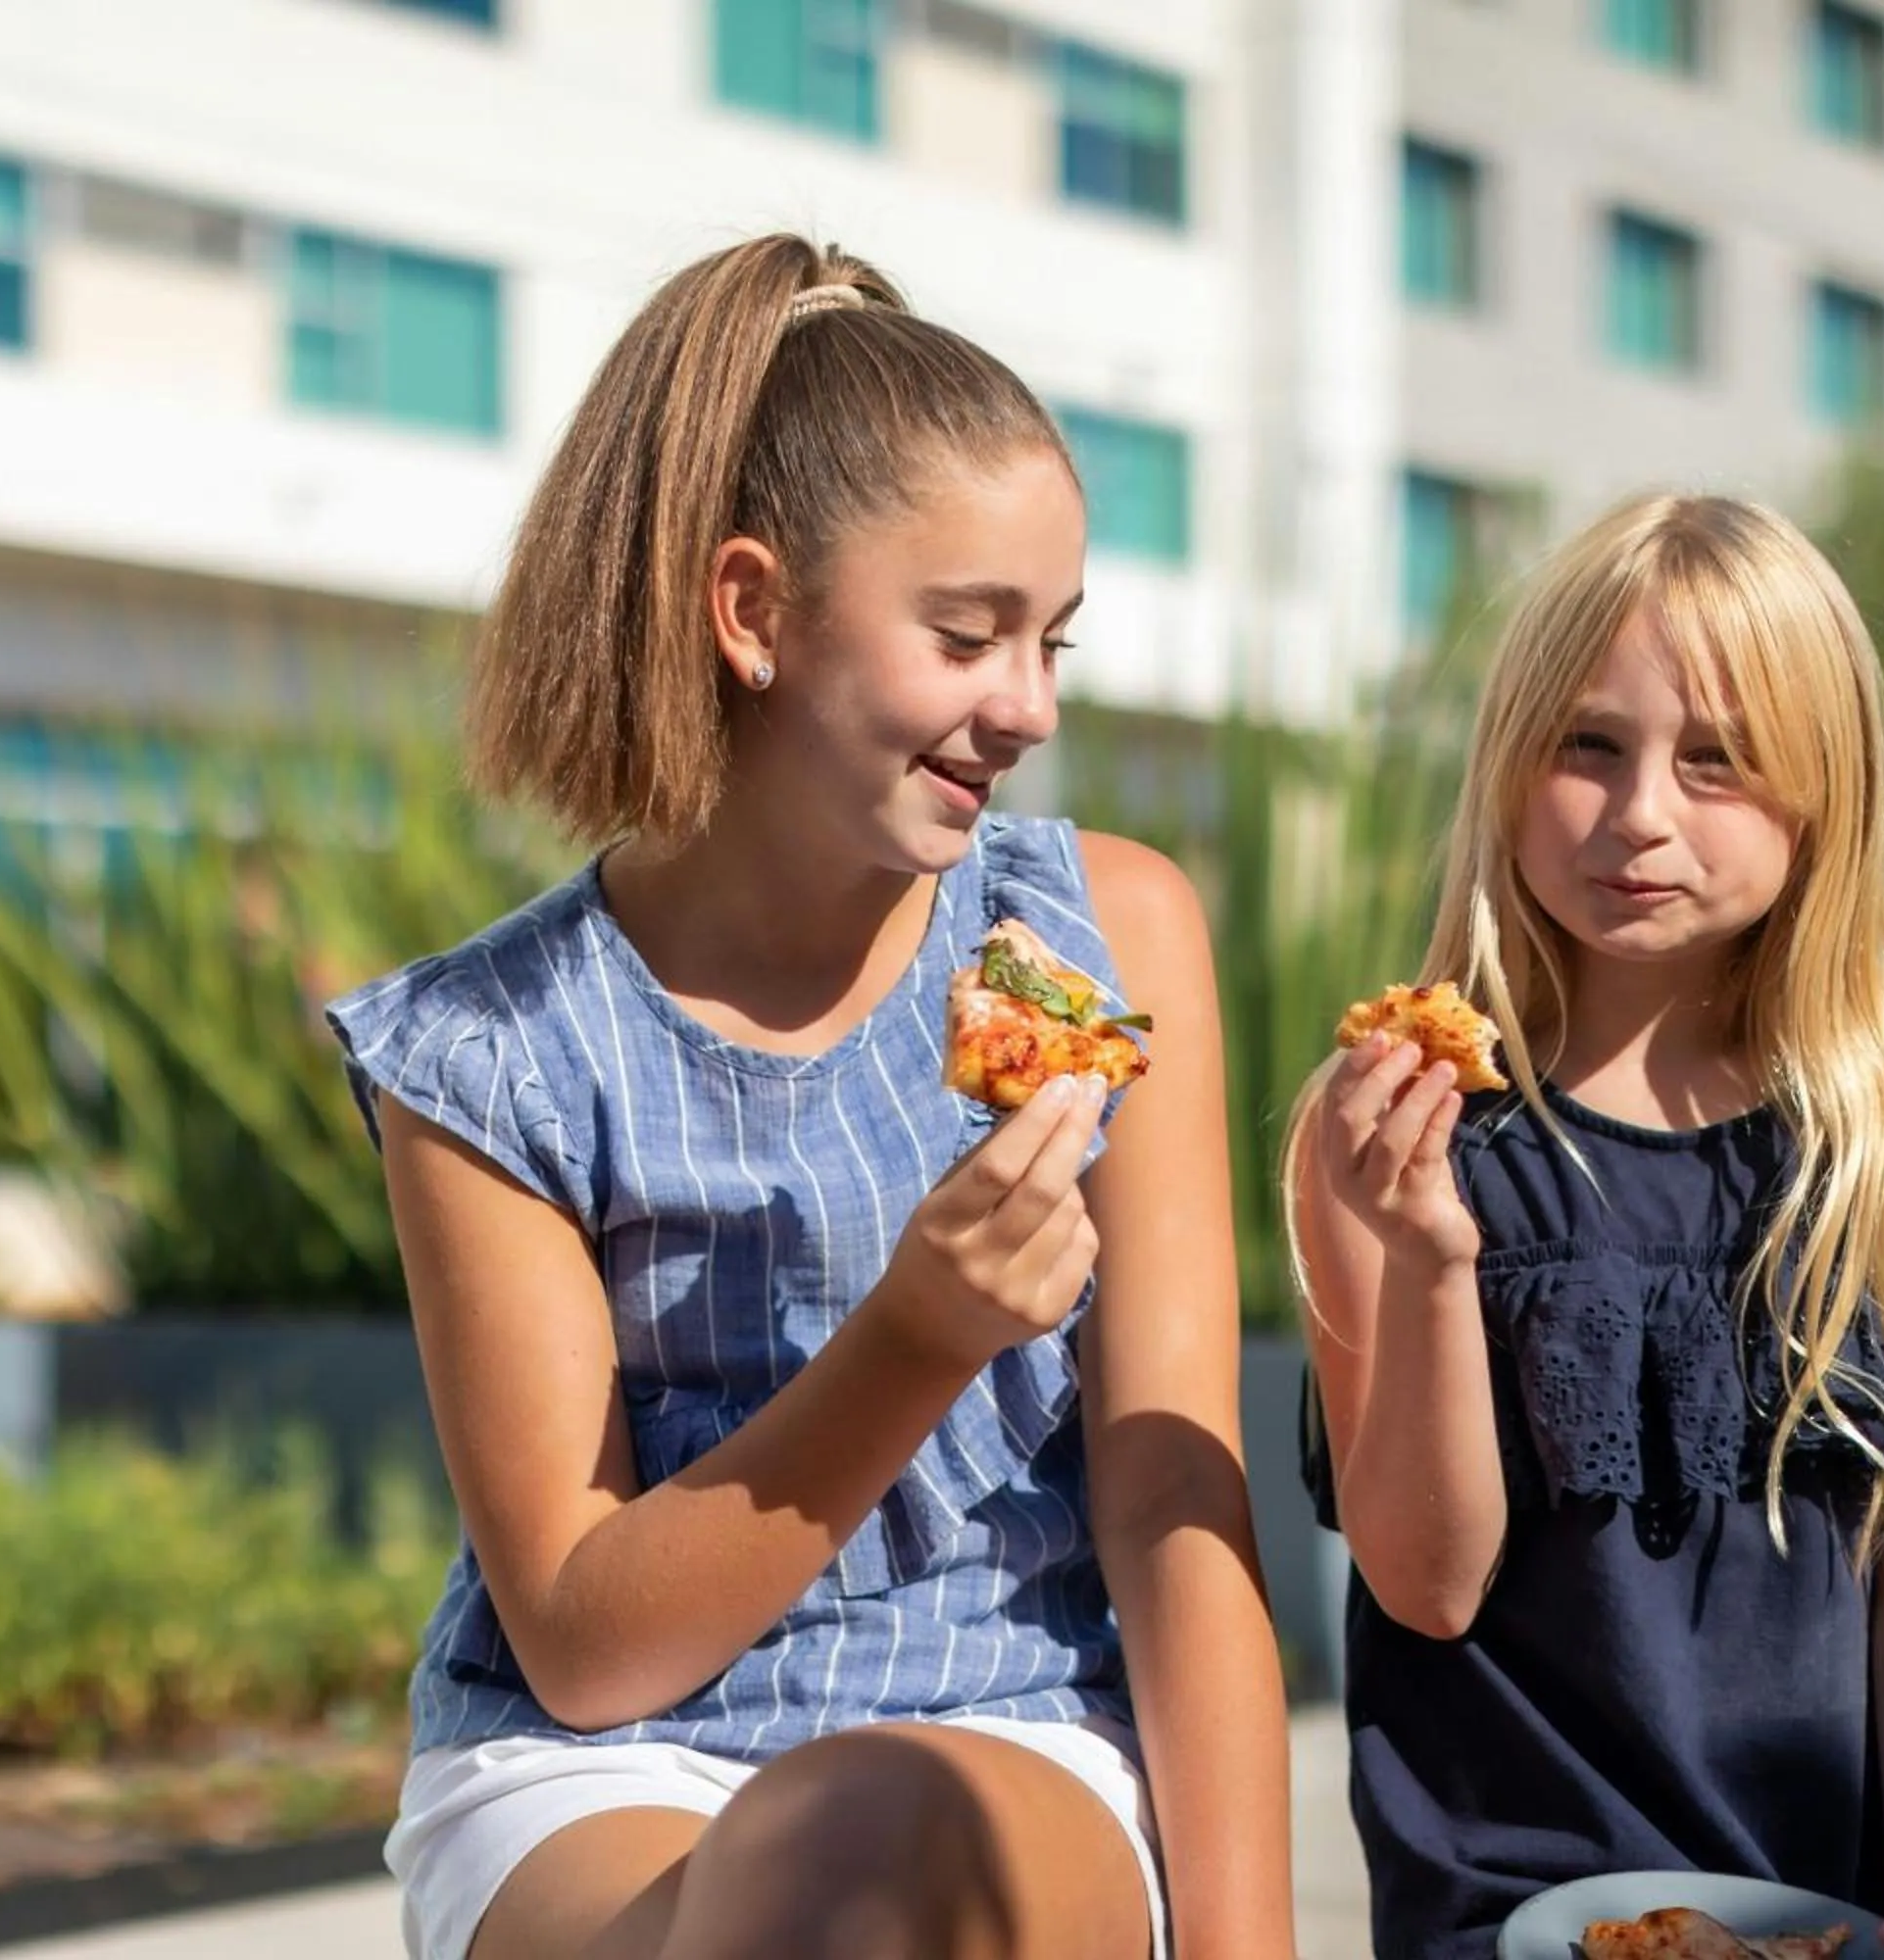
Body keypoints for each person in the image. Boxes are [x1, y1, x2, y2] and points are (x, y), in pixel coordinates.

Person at [327, 234, 1293, 1960]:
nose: (1029, 708)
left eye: (1053, 642)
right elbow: (582, 1639)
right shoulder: (488, 1055)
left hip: (1002, 1713)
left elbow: (1168, 1499)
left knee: (847, 1844)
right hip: (593, 1760)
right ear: (751, 608)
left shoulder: (1102, 931)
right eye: (969, 636)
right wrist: (921, 1332)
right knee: (793, 1879)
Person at [1291, 493, 1884, 1958]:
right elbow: (1424, 1579)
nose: (1641, 811)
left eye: (1716, 759)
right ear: (1507, 766)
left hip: (1862, 1895)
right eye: (1588, 746)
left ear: (1820, 794)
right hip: (1528, 1900)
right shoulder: (1392, 1122)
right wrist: (1433, 1258)